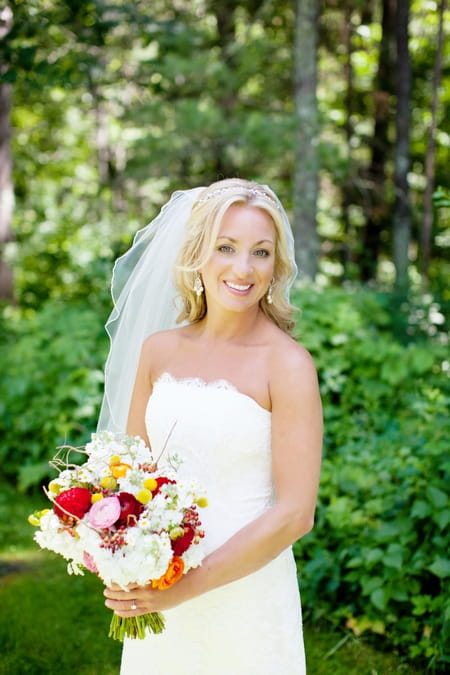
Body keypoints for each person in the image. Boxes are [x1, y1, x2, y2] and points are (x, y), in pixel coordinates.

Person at [102, 178, 323, 674]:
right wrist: (119, 553)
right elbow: (131, 479)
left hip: (248, 591)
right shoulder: (158, 349)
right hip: (157, 582)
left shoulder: (287, 365)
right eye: (226, 247)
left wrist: (187, 586)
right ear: (198, 253)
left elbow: (295, 514)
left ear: (276, 265)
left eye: (260, 252)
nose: (243, 268)